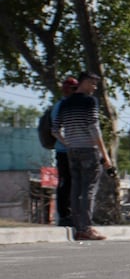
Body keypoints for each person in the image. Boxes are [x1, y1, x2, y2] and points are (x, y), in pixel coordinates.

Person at [52, 72, 113, 241]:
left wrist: (68, 143)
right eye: (92, 83)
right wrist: (105, 155)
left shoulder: (65, 103)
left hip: (72, 151)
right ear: (84, 82)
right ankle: (86, 228)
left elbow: (55, 130)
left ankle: (78, 227)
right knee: (89, 189)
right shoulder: (89, 101)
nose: (94, 87)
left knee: (76, 188)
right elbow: (94, 128)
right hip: (89, 150)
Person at [50, 76, 78, 226]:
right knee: (65, 182)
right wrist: (68, 144)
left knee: (75, 182)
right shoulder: (60, 106)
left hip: (75, 151)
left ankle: (74, 213)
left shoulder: (73, 106)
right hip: (63, 152)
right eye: (74, 89)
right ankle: (64, 215)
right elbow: (56, 130)